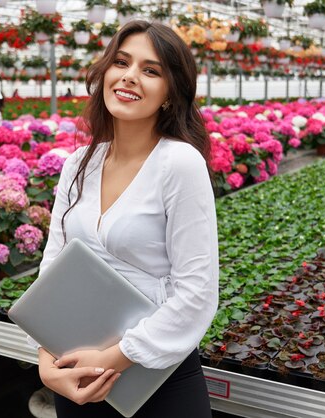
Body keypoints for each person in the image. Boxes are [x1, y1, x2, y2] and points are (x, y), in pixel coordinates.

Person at [36, 20, 218, 417]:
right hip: (78, 377)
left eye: (151, 70)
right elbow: (53, 268)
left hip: (156, 379)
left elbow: (197, 294)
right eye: (121, 62)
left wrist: (117, 357)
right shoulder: (78, 164)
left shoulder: (179, 164)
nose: (130, 77)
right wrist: (46, 358)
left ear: (170, 94)